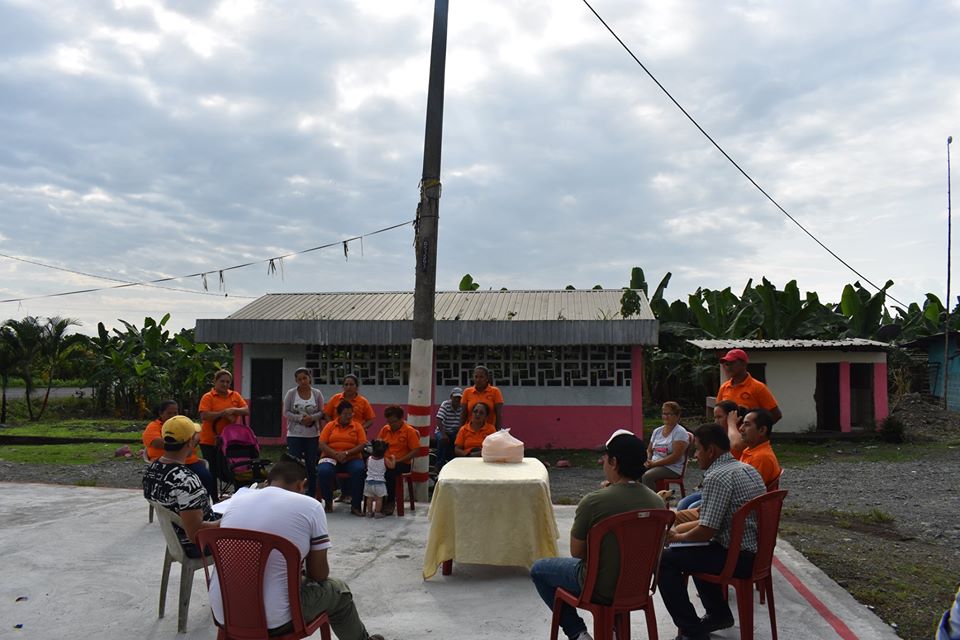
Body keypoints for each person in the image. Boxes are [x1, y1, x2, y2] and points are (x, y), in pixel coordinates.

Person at [209, 458, 385, 640]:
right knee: (339, 591)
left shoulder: (236, 502)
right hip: (276, 621)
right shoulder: (311, 507)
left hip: (224, 614)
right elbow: (319, 575)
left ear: (267, 482)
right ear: (302, 485)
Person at [530, 430, 663, 640]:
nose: (603, 463)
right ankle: (614, 629)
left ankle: (577, 633)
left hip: (599, 589)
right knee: (613, 563)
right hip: (638, 586)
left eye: (605, 458)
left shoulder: (594, 502)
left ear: (614, 462)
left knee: (539, 569)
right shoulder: (657, 502)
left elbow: (577, 552)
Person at [658, 422, 766, 640]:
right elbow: (709, 523)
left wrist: (677, 537)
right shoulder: (747, 469)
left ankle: (692, 631)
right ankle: (718, 615)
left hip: (737, 559)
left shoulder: (717, 476)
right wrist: (683, 535)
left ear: (711, 450)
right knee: (696, 549)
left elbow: (706, 530)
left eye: (697, 449)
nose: (695, 456)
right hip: (756, 555)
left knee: (664, 560)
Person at [142, 415, 221, 556]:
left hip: (175, 538)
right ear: (190, 442)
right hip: (199, 544)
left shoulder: (151, 470)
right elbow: (195, 534)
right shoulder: (186, 481)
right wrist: (229, 521)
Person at [142, 400, 217, 500]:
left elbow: (197, 432)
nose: (173, 416)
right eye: (169, 413)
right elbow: (156, 442)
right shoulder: (153, 427)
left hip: (189, 461)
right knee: (180, 484)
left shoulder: (181, 423)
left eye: (175, 413)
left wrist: (190, 442)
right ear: (161, 413)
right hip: (165, 463)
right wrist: (184, 443)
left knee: (206, 477)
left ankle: (205, 502)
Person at [676, 400, 740, 511]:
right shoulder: (715, 435)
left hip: (726, 485)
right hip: (710, 485)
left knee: (691, 508)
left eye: (719, 417)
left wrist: (731, 424)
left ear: (731, 418)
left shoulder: (737, 438)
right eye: (715, 418)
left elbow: (735, 445)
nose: (716, 421)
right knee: (682, 504)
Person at [198, 369, 249, 498]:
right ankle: (213, 499)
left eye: (228, 382)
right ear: (215, 382)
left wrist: (233, 410)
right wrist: (223, 413)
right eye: (222, 381)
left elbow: (246, 410)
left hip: (231, 441)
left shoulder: (235, 395)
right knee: (212, 471)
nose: (225, 384)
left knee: (236, 468)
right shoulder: (208, 397)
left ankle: (239, 497)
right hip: (210, 440)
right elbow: (204, 415)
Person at [317, 400, 368, 516]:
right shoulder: (330, 426)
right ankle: (328, 502)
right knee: (323, 471)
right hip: (331, 457)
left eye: (350, 414)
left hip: (352, 458)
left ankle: (356, 506)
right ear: (339, 414)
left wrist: (346, 453)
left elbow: (362, 444)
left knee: (359, 470)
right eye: (345, 414)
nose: (348, 416)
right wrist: (335, 454)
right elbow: (322, 444)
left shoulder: (357, 426)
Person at [283, 367, 325, 500]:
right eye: (299, 379)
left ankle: (311, 493)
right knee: (294, 465)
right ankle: (294, 493)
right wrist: (300, 419)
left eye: (305, 378)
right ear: (296, 381)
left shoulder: (317, 394)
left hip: (312, 435)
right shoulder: (291, 394)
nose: (303, 381)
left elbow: (321, 412)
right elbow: (286, 412)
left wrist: (311, 418)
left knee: (311, 465)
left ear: (309, 378)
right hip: (294, 434)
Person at [716, 349, 782, 427]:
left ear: (744, 364)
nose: (729, 367)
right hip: (730, 434)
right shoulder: (724, 387)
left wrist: (758, 430)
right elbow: (718, 413)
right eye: (727, 364)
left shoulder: (758, 387)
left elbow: (776, 414)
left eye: (732, 363)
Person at [376, 405, 420, 515]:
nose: (391, 424)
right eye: (389, 422)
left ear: (401, 419)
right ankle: (376, 499)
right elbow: (379, 445)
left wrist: (399, 460)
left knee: (390, 472)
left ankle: (391, 501)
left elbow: (415, 450)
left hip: (402, 463)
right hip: (385, 461)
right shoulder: (385, 429)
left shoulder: (409, 431)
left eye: (394, 422)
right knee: (371, 469)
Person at [640, 401, 689, 491]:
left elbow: (675, 457)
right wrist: (647, 460)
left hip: (672, 467)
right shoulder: (657, 431)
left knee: (647, 476)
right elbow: (649, 450)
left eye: (669, 414)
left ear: (677, 416)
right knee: (634, 471)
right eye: (664, 413)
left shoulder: (680, 432)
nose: (665, 416)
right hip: (654, 463)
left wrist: (654, 464)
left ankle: (654, 499)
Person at [731, 409, 781, 486]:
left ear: (762, 430)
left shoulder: (761, 457)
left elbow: (748, 489)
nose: (741, 428)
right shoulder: (751, 450)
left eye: (747, 424)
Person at [460, 365, 504, 429]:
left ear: (487, 378)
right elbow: (463, 414)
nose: (478, 380)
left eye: (481, 377)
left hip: (489, 431)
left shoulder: (495, 391)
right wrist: (460, 430)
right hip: (470, 431)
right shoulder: (467, 392)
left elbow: (498, 414)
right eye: (476, 377)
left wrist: (498, 431)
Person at [434, 387, 463, 470]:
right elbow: (439, 419)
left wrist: (460, 433)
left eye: (459, 397)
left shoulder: (462, 406)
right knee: (442, 440)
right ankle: (439, 465)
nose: (457, 399)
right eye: (455, 397)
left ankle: (454, 463)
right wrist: (443, 434)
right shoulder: (445, 404)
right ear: (451, 397)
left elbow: (463, 420)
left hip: (455, 431)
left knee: (459, 442)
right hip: (443, 430)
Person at [363, 440, 394, 519]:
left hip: (368, 482)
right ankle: (377, 512)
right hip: (380, 483)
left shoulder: (369, 458)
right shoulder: (384, 460)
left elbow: (367, 466)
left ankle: (369, 512)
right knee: (379, 499)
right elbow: (392, 466)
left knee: (369, 498)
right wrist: (393, 459)